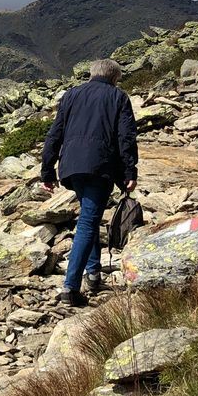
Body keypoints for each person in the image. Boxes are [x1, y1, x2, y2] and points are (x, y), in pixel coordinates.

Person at [40, 58, 138, 307]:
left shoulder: (71, 95)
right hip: (99, 165)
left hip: (71, 167)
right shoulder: (118, 97)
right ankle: (70, 288)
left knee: (89, 215)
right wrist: (129, 171)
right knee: (87, 222)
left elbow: (55, 133)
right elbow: (125, 136)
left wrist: (47, 171)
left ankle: (93, 275)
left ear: (92, 74)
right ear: (115, 77)